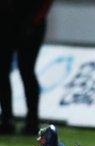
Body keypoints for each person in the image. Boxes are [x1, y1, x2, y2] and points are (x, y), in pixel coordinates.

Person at [0, 0, 53, 135]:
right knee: (4, 70)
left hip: (31, 23)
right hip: (8, 22)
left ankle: (31, 120)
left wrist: (35, 21)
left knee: (26, 70)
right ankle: (7, 120)